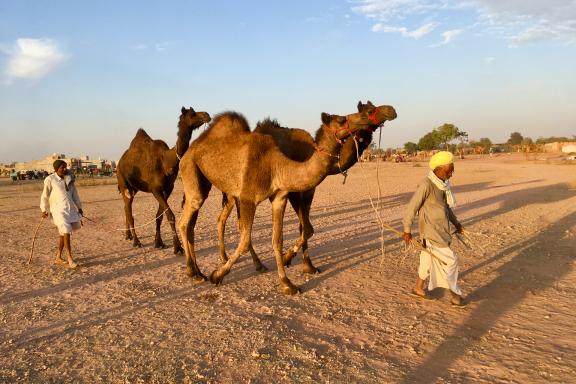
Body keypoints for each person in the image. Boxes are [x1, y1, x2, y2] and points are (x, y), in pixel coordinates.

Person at [402, 151, 466, 307]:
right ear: (438, 169)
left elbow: (446, 208)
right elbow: (412, 208)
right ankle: (455, 294)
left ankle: (418, 288)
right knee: (451, 261)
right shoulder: (427, 185)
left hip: (441, 229)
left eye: (452, 170)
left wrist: (456, 223)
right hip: (431, 232)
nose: (451, 174)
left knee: (426, 260)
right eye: (449, 170)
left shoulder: (443, 185)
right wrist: (407, 229)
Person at [40, 160, 84, 268]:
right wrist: (43, 209)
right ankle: (70, 259)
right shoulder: (50, 179)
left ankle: (58, 257)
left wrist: (79, 207)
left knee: (63, 234)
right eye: (62, 168)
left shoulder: (69, 179)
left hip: (69, 210)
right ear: (56, 169)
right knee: (66, 232)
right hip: (57, 211)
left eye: (65, 167)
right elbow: (44, 195)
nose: (65, 169)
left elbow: (75, 195)